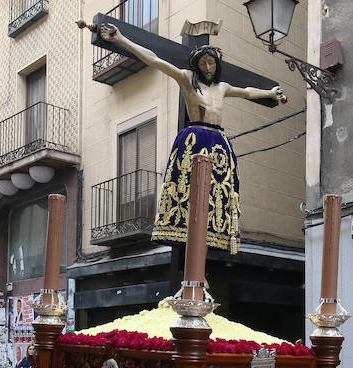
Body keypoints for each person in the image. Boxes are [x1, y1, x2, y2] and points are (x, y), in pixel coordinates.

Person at [91, 22, 286, 255]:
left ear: (217, 64)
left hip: (219, 142)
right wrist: (120, 39)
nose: (207, 66)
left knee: (220, 193)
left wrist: (270, 93)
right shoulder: (186, 78)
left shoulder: (222, 88)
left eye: (211, 62)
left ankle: (216, 232)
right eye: (203, 62)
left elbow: (247, 92)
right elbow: (154, 60)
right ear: (197, 64)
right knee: (188, 190)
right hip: (196, 137)